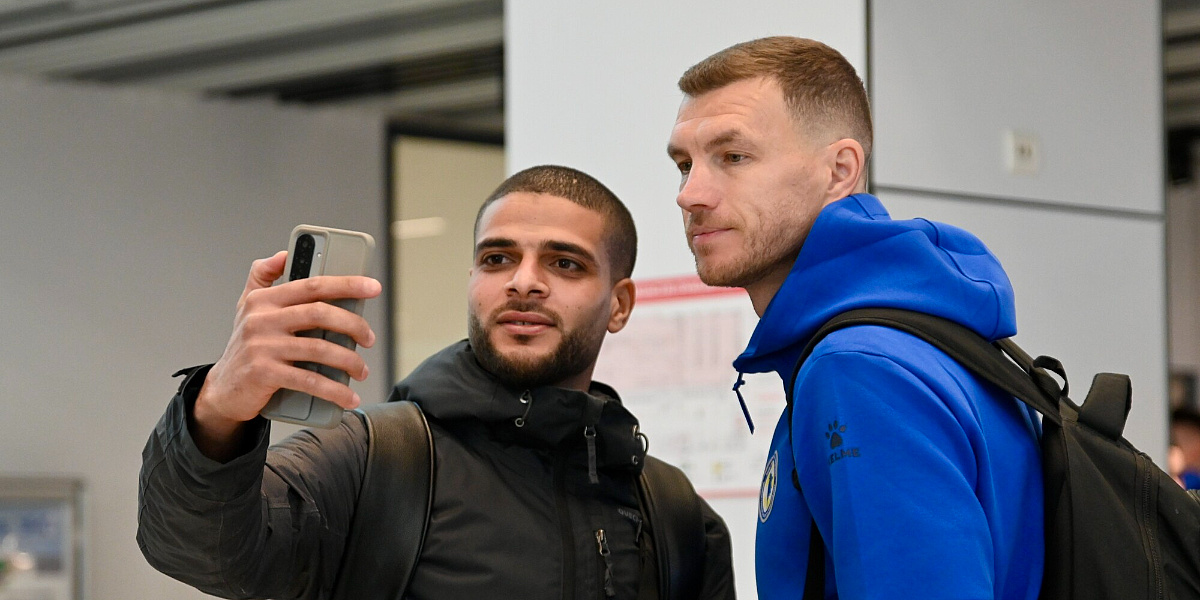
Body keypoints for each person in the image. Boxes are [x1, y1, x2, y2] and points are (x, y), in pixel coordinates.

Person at [137, 165, 735, 600]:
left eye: (564, 263)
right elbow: (200, 549)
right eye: (497, 259)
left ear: (619, 304)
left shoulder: (674, 513)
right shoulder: (374, 457)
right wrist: (217, 406)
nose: (523, 282)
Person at [666, 37, 1044, 599]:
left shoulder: (860, 369)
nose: (690, 194)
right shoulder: (914, 335)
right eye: (683, 164)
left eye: (734, 157)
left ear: (840, 170)